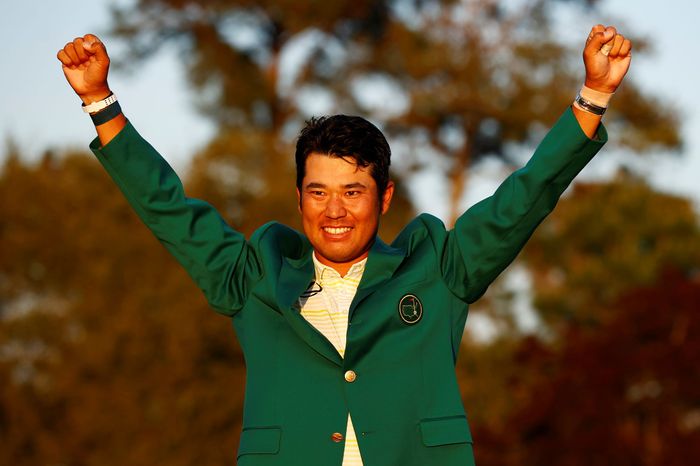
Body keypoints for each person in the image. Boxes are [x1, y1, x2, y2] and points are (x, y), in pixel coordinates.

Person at [57, 24, 631, 466]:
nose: (334, 211)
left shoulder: (438, 269)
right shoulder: (252, 276)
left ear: (384, 198)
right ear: (299, 198)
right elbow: (169, 209)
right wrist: (101, 102)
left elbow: (523, 199)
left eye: (353, 192)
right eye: (319, 192)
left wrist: (593, 95)